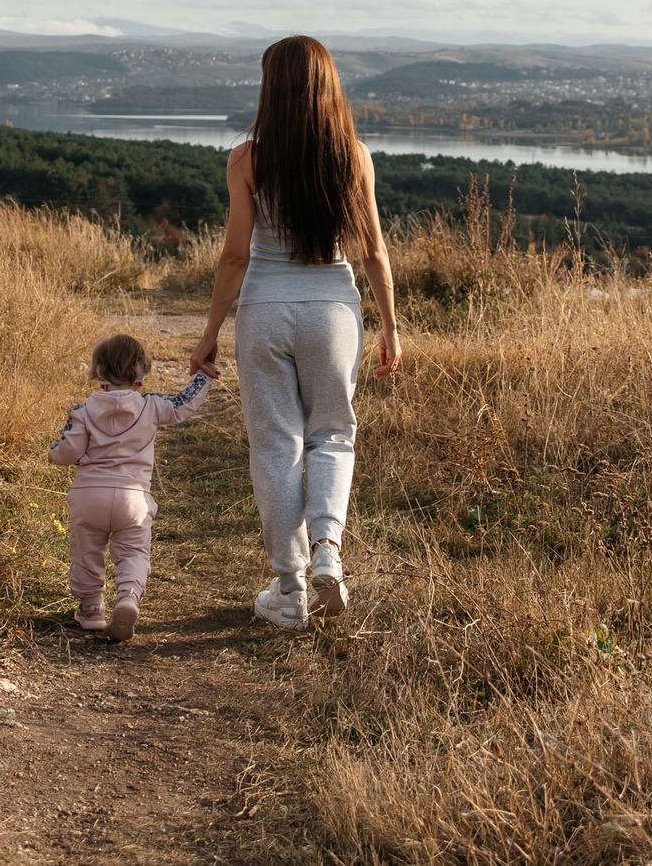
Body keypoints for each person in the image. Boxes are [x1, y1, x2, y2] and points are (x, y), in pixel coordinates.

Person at [190, 35, 401, 630]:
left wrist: (209, 333)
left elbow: (234, 258)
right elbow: (375, 252)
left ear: (271, 88)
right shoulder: (354, 156)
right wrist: (389, 326)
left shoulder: (247, 159)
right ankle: (328, 552)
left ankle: (289, 589)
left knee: (276, 446)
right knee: (333, 435)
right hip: (334, 313)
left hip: (264, 312)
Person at [47, 331, 214, 643]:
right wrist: (203, 375)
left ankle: (92, 608)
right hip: (133, 499)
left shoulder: (82, 412)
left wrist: (52, 455)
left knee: (86, 553)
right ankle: (128, 597)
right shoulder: (151, 405)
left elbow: (67, 451)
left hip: (89, 496)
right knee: (134, 552)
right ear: (142, 374)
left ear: (98, 374)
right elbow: (183, 404)